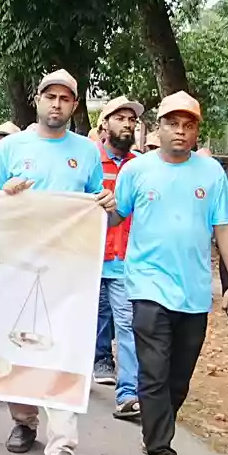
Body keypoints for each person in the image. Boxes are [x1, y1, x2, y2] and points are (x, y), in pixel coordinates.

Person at [109, 91, 228, 455]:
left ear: (197, 131)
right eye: (172, 123)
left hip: (195, 291)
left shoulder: (211, 173)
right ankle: (162, 454)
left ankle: (156, 426)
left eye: (188, 125)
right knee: (153, 370)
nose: (180, 131)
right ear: (159, 127)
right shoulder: (136, 170)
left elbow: (224, 229)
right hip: (147, 285)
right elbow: (116, 215)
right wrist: (94, 208)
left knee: (178, 377)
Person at [0, 69, 115, 455]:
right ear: (37, 100)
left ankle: (61, 448)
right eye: (50, 96)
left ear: (74, 106)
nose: (56, 104)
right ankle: (24, 420)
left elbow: (98, 208)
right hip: (18, 263)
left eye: (65, 98)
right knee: (20, 344)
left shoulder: (87, 152)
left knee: (62, 348)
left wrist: (106, 204)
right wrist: (6, 194)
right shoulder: (11, 148)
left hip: (68, 267)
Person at [95, 96, 144, 417]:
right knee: (76, 323)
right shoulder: (87, 160)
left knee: (127, 326)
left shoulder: (141, 166)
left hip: (124, 260)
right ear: (104, 124)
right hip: (85, 257)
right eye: (120, 118)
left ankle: (128, 393)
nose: (127, 124)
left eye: (131, 120)